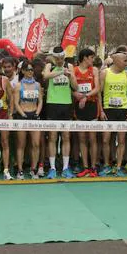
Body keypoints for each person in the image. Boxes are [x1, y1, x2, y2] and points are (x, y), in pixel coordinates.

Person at [99, 47, 127, 176]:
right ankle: (106, 165)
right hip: (108, 109)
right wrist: (101, 110)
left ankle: (119, 166)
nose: (126, 63)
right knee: (106, 139)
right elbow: (99, 93)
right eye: (124, 61)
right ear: (116, 61)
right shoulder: (105, 73)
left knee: (121, 140)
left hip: (122, 110)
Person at [43, 46, 78, 179]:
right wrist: (61, 72)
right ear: (53, 57)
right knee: (52, 137)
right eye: (57, 58)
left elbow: (75, 87)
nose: (59, 60)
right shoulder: (49, 66)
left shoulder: (69, 66)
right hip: (52, 104)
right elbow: (46, 76)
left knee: (66, 137)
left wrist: (70, 76)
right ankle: (52, 168)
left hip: (66, 105)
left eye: (61, 58)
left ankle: (65, 168)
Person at [73, 49, 101, 178]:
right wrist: (77, 95)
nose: (92, 60)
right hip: (79, 107)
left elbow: (97, 88)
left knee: (92, 138)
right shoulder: (74, 70)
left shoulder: (94, 70)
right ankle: (85, 167)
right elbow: (71, 89)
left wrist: (85, 96)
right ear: (85, 58)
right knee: (82, 138)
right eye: (91, 57)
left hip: (91, 105)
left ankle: (93, 167)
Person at [13, 61, 43, 179]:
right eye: (28, 69)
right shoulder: (19, 86)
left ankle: (33, 168)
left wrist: (37, 113)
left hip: (34, 115)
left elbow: (40, 101)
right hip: (22, 115)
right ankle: (20, 170)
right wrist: (22, 114)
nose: (30, 72)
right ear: (23, 71)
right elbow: (16, 103)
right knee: (21, 144)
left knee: (36, 144)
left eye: (32, 70)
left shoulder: (37, 85)